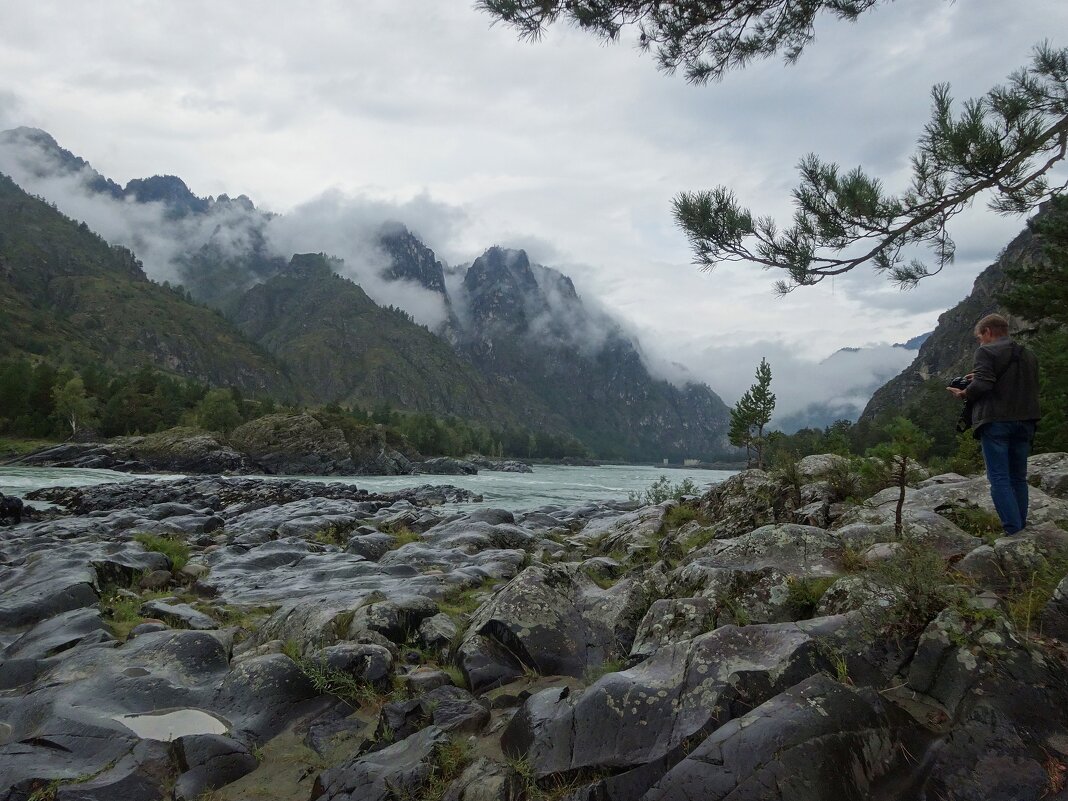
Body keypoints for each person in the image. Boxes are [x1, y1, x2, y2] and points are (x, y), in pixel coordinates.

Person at [947, 313, 1040, 535]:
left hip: (996, 422)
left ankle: (1013, 530)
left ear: (988, 332)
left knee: (999, 478)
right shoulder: (1028, 354)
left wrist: (964, 393)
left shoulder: (986, 351)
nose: (980, 341)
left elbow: (985, 386)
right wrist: (978, 377)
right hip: (1026, 420)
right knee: (1018, 476)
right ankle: (1021, 526)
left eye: (980, 337)